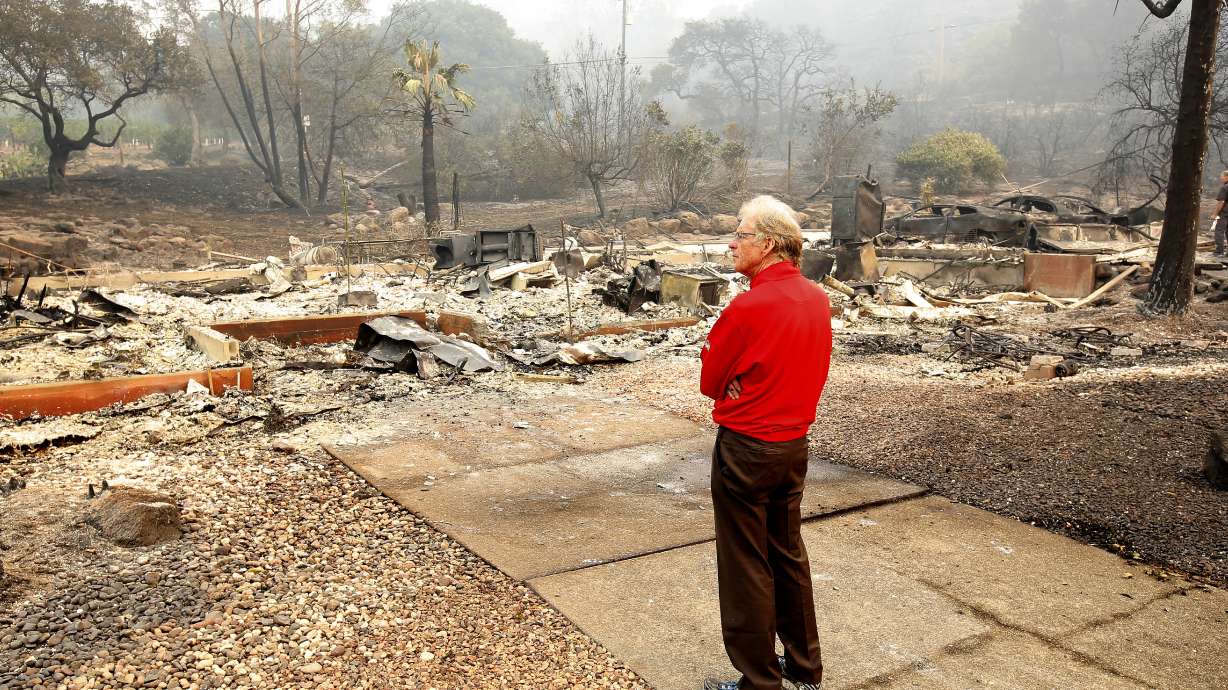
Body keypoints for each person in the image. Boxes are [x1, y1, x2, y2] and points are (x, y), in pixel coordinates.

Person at [699, 195, 832, 690]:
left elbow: (711, 379)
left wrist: (738, 381)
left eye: (742, 234)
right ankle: (804, 669)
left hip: (746, 447)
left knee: (745, 562)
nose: (733, 243)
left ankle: (758, 680)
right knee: (787, 552)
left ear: (769, 244)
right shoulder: (818, 300)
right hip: (793, 445)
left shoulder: (748, 306)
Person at [1214, 170, 1228, 257]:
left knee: (1219, 230)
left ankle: (1219, 251)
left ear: (1227, 177)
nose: (1221, 178)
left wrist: (1215, 213)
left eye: (1222, 176)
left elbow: (1221, 202)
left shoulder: (1224, 188)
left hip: (1225, 212)